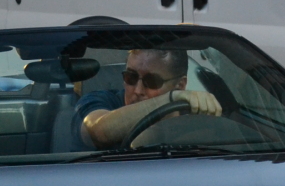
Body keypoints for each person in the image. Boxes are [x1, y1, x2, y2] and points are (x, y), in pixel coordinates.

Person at [74, 48, 223, 150]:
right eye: (130, 77)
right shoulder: (100, 100)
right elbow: (98, 131)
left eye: (152, 82)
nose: (138, 90)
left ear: (180, 85)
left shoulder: (194, 124)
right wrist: (170, 99)